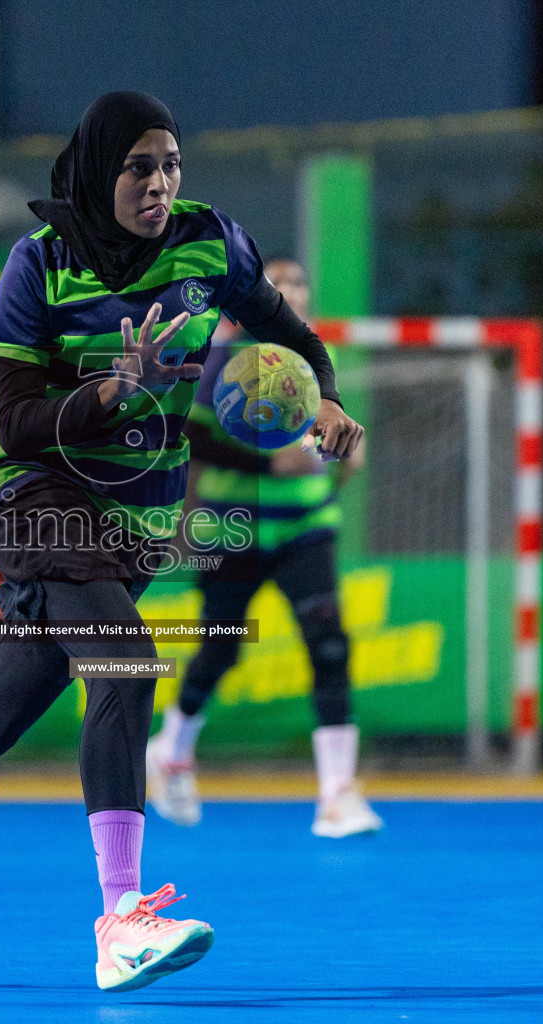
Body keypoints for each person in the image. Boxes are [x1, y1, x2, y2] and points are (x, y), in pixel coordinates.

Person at [0, 91, 364, 992]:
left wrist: (324, 394)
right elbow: (10, 420)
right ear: (99, 169)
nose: (161, 182)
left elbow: (292, 333)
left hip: (133, 525)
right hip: (34, 497)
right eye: (140, 165)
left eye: (171, 163)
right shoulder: (39, 265)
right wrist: (105, 395)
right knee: (128, 664)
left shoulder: (213, 242)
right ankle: (121, 921)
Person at [146, 258, 383, 838]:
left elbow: (337, 444)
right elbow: (190, 435)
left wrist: (346, 453)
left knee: (328, 642)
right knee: (221, 650)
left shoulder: (313, 361)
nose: (294, 292)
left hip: (306, 525)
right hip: (235, 526)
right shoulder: (223, 356)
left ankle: (336, 794)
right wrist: (264, 465)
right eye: (281, 284)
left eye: (302, 283)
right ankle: (171, 748)